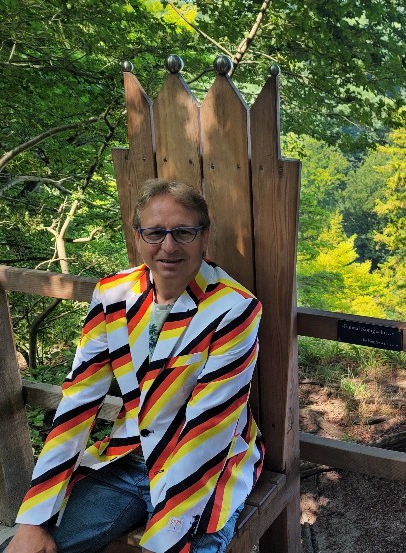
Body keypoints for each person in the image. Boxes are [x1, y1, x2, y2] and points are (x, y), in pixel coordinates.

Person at [4, 179, 265, 553]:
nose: (169, 246)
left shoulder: (235, 307)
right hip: (129, 457)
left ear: (204, 237)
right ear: (138, 235)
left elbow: (211, 425)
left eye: (184, 232)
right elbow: (78, 402)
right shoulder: (113, 295)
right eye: (156, 232)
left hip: (209, 468)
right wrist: (32, 519)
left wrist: (166, 535)